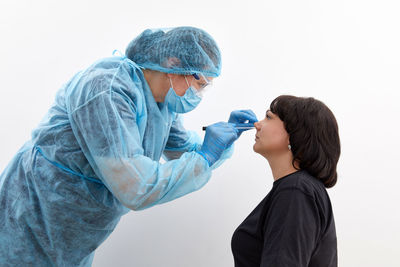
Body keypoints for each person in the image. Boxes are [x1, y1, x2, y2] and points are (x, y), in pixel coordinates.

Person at [0, 26, 258, 266]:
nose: (199, 93)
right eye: (200, 82)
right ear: (173, 65)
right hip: (35, 215)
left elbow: (182, 149)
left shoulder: (163, 104)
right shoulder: (107, 90)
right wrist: (206, 155)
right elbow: (136, 186)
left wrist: (223, 142)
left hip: (75, 231)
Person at [231, 95, 340, 267]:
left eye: (268, 117)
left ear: (293, 134)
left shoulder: (295, 191)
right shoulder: (297, 189)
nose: (257, 124)